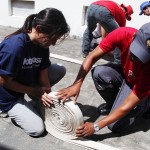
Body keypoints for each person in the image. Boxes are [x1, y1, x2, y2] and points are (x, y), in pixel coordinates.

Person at [57, 22, 150, 137]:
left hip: (139, 86)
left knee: (114, 125)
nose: (135, 58)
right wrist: (77, 84)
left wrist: (96, 126)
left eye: (143, 55)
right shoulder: (123, 34)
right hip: (127, 75)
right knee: (99, 73)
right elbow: (92, 56)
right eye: (135, 51)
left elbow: (130, 101)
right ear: (134, 36)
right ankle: (115, 105)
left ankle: (145, 105)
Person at [0, 8, 70, 137]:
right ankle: (9, 109)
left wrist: (50, 97)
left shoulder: (42, 44)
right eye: (52, 38)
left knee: (59, 69)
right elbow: (4, 82)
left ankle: (34, 101)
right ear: (38, 29)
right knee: (37, 129)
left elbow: (43, 72)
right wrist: (33, 91)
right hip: (7, 94)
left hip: (26, 80)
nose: (53, 43)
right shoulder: (14, 47)